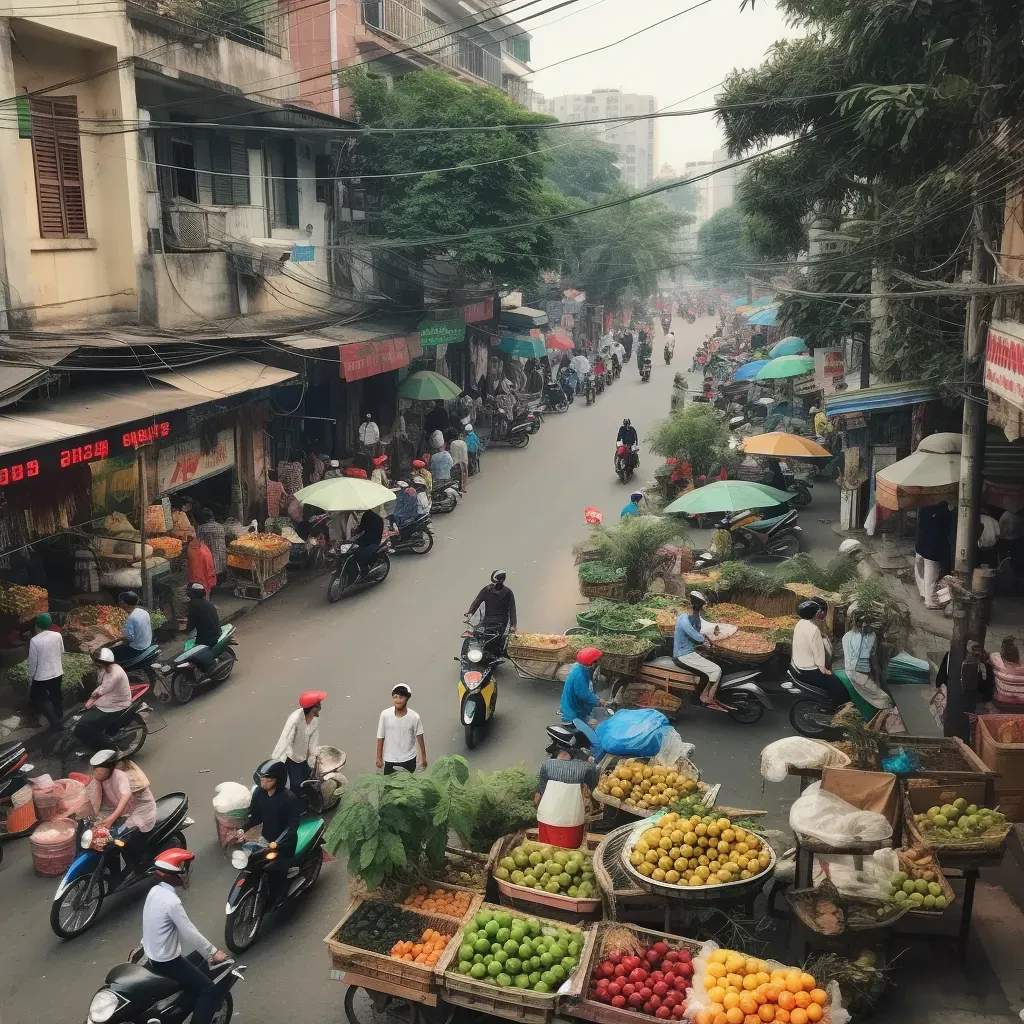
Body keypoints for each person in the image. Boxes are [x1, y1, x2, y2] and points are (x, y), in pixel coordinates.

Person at [142, 848, 228, 1024]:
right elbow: (189, 931)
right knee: (210, 990)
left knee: (198, 959)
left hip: (152, 955)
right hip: (167, 962)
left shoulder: (155, 892)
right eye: (182, 870)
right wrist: (213, 952)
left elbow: (149, 923)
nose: (186, 874)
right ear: (174, 875)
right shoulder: (172, 901)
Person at [535, 748, 599, 849]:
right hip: (572, 819)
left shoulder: (546, 765)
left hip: (546, 817)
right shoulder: (586, 767)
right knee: (570, 853)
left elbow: (538, 796)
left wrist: (537, 806)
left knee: (546, 853)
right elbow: (594, 788)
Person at [672, 592, 725, 708]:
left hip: (690, 652)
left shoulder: (695, 616)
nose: (700, 607)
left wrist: (711, 633)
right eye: (699, 604)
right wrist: (704, 642)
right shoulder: (683, 618)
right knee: (716, 670)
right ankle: (707, 697)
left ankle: (696, 696)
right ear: (694, 604)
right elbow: (692, 632)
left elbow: (700, 629)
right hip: (682, 655)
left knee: (708, 667)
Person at [73, 648, 132, 752]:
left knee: (80, 728)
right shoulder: (113, 667)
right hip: (110, 700)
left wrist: (88, 703)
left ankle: (110, 745)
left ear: (101, 664)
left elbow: (99, 693)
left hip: (115, 705)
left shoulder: (113, 675)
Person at [791, 600, 849, 705]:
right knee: (838, 684)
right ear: (817, 614)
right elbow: (818, 652)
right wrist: (823, 669)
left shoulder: (799, 624)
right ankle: (836, 707)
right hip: (809, 670)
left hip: (797, 664)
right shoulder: (813, 629)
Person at [90, 748, 158, 833]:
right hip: (121, 810)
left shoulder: (121, 775)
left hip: (140, 809)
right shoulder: (102, 777)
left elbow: (125, 796)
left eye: (98, 767)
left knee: (126, 834)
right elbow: (92, 793)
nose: (96, 770)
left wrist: (112, 818)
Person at [272, 691, 325, 794]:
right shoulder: (295, 719)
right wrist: (279, 760)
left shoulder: (314, 720)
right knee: (296, 783)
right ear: (312, 708)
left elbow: (313, 739)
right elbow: (286, 739)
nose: (320, 708)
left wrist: (313, 756)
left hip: (303, 755)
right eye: (318, 706)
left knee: (306, 779)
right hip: (291, 756)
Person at [839, 610, 893, 711]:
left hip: (849, 670)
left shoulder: (846, 636)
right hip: (859, 676)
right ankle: (887, 714)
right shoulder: (871, 636)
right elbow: (870, 658)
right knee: (885, 699)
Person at [376, 684, 427, 774]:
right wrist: (379, 758)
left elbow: (419, 736)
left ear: (407, 698)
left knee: (407, 785)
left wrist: (423, 758)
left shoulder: (414, 717)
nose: (398, 700)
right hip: (390, 759)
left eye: (401, 697)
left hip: (409, 759)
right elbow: (381, 736)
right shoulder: (385, 715)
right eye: (395, 697)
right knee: (390, 785)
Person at [27, 612, 64, 731]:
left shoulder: (35, 641)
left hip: (41, 676)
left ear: (37, 626)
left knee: (38, 699)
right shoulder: (57, 635)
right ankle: (60, 718)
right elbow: (62, 651)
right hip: (57, 672)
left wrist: (30, 678)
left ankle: (52, 723)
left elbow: (33, 662)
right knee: (56, 697)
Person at [915, 502, 953, 609]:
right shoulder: (945, 512)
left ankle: (923, 594)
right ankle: (930, 601)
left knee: (921, 572)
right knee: (931, 576)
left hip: (920, 544)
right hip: (932, 548)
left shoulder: (925, 507)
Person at [466, 570, 517, 649]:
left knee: (498, 643)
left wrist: (513, 626)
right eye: (494, 583)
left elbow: (512, 610)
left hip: (501, 623)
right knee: (478, 638)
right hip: (487, 620)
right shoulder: (486, 590)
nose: (495, 585)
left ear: (502, 581)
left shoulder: (508, 592)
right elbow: (476, 602)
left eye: (497, 583)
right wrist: (470, 613)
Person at [559, 647, 605, 725]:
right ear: (592, 662)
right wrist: (598, 701)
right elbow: (584, 694)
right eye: (597, 661)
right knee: (583, 725)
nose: (598, 662)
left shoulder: (579, 667)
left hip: (571, 701)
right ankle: (572, 723)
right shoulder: (579, 675)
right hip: (572, 708)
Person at [186, 582, 222, 651]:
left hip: (207, 638)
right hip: (217, 632)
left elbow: (191, 624)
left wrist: (186, 629)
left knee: (192, 648)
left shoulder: (193, 604)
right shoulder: (206, 601)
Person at [351, 508, 385, 578]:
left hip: (369, 541)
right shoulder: (378, 518)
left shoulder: (366, 516)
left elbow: (361, 529)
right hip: (376, 540)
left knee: (358, 554)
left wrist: (355, 531)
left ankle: (364, 571)